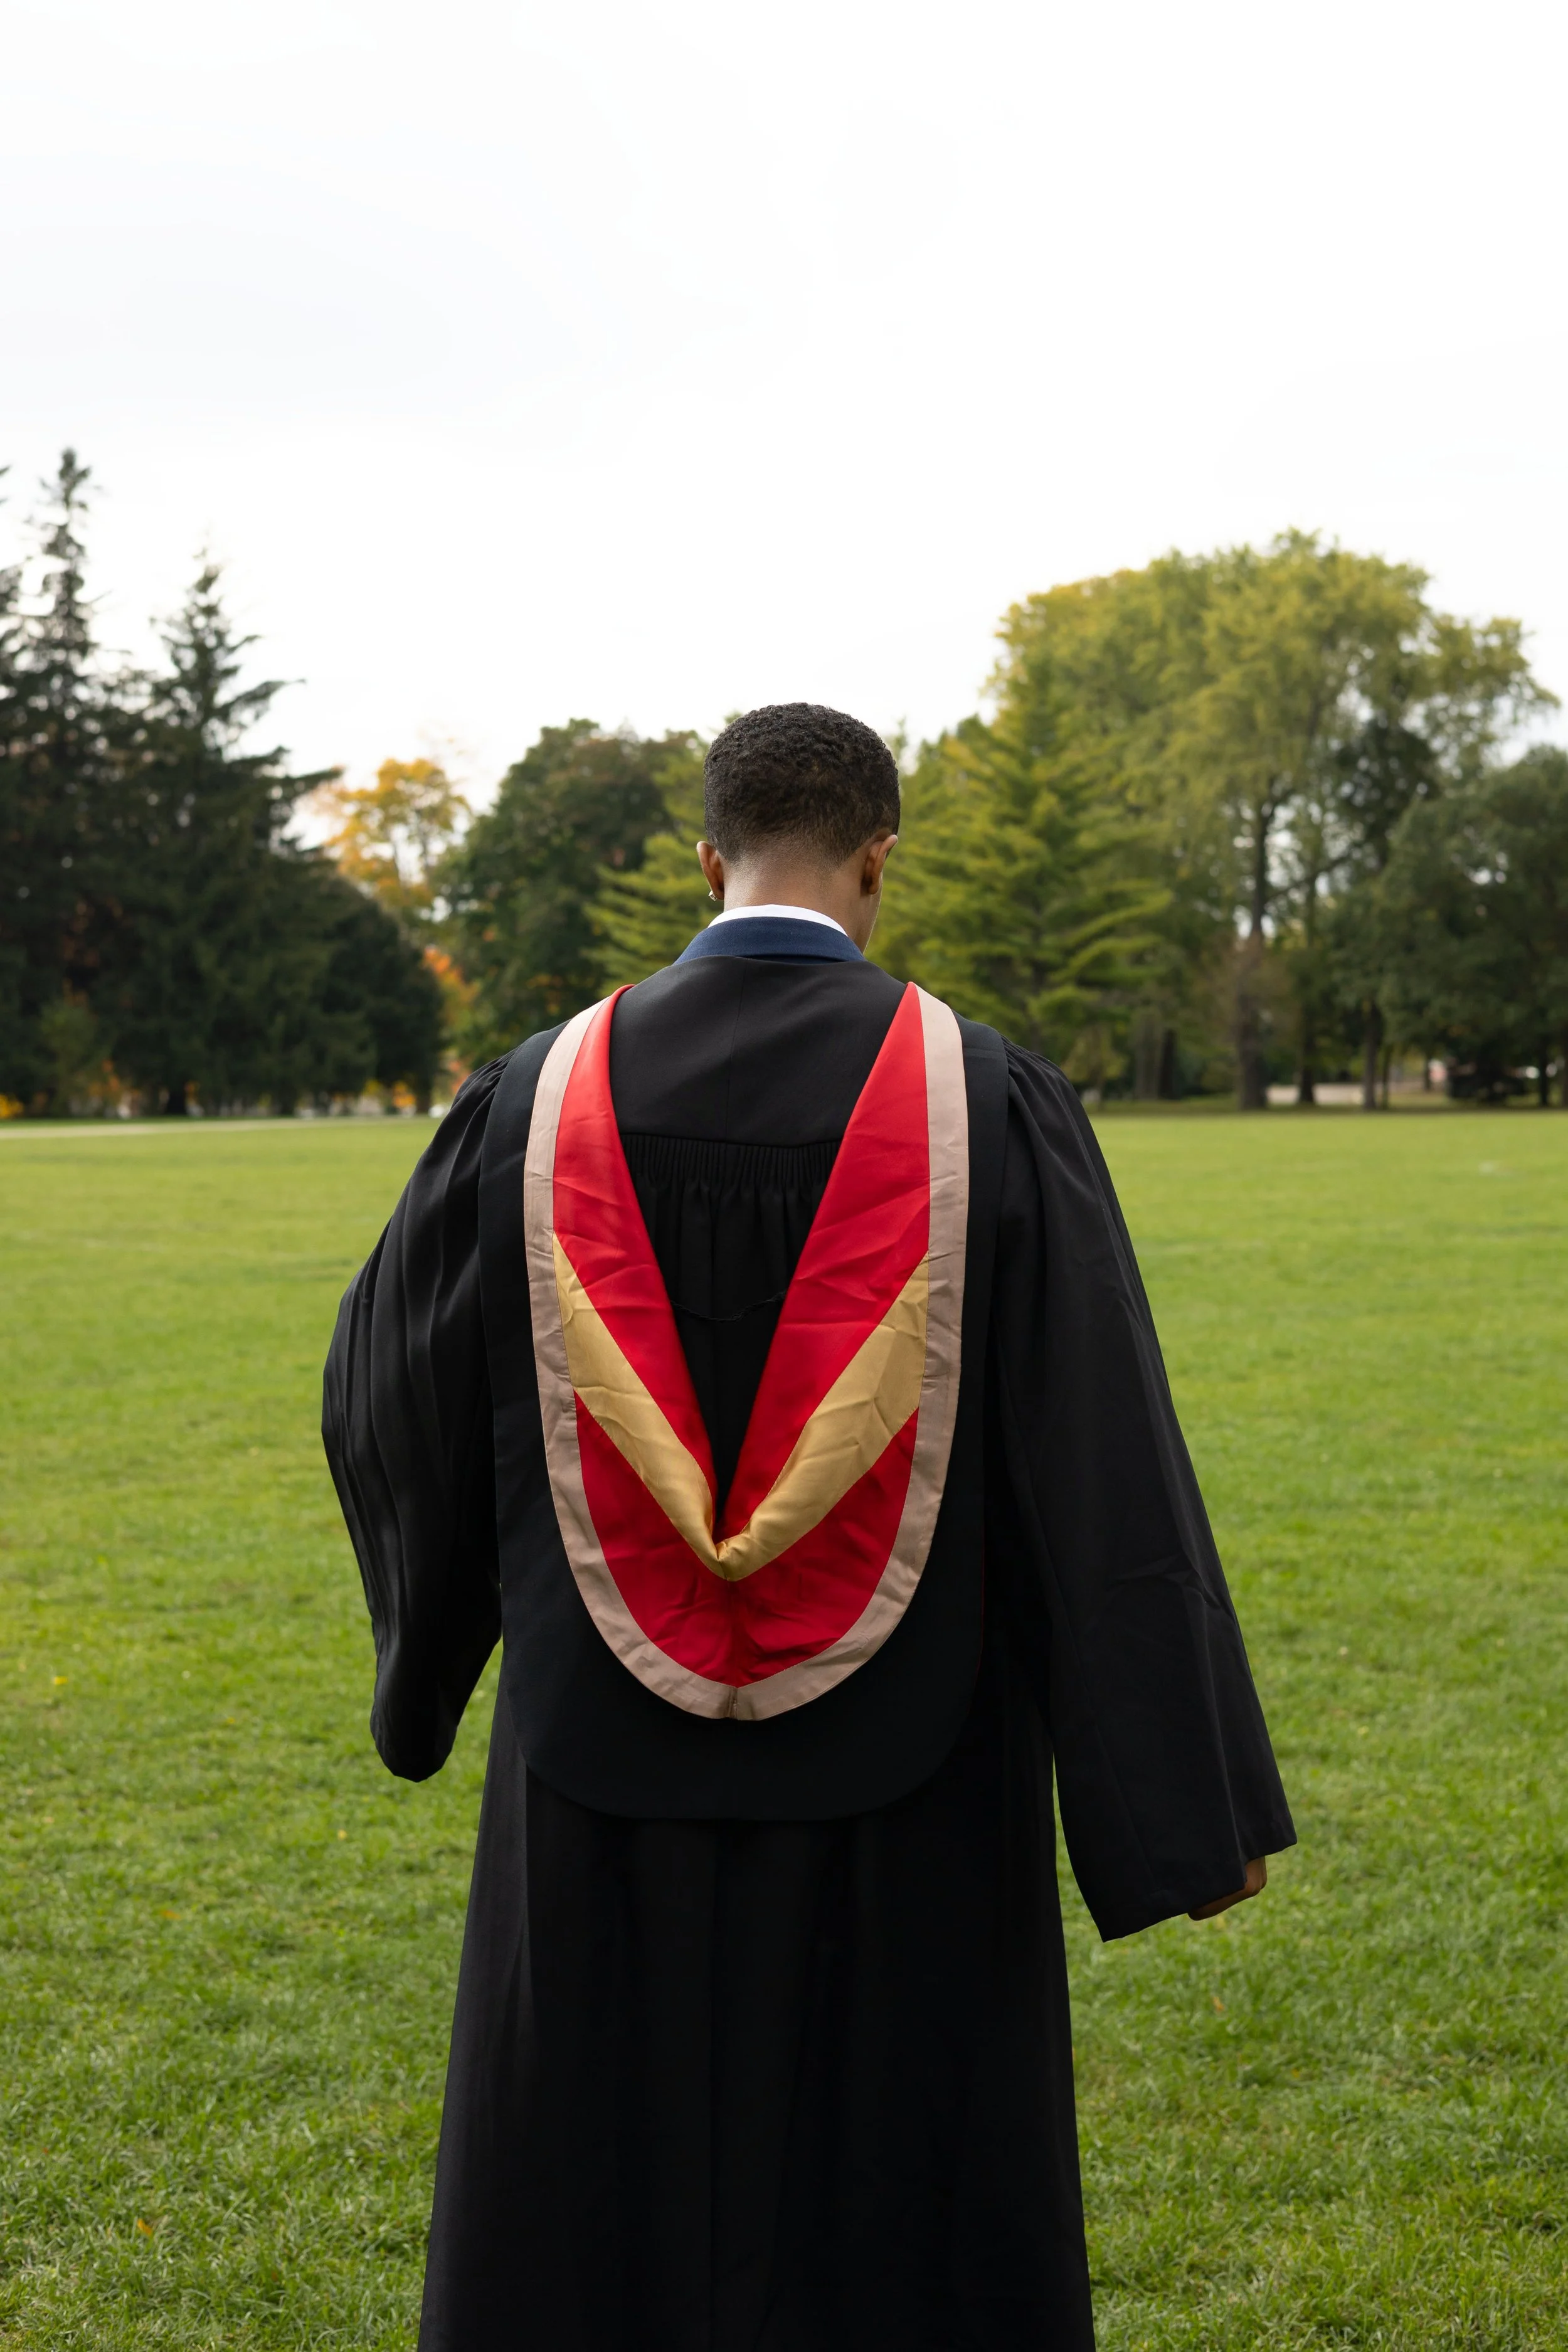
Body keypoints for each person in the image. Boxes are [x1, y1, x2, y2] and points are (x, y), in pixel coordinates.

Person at [322, 702, 1294, 2352]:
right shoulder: (982, 1098)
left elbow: (389, 1401)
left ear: (709, 860)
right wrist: (1174, 1806)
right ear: (875, 862)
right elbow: (1095, 1453)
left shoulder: (533, 1099)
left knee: (591, 2214)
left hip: (595, 1767)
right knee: (896, 2213)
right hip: (912, 1782)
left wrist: (429, 1661)